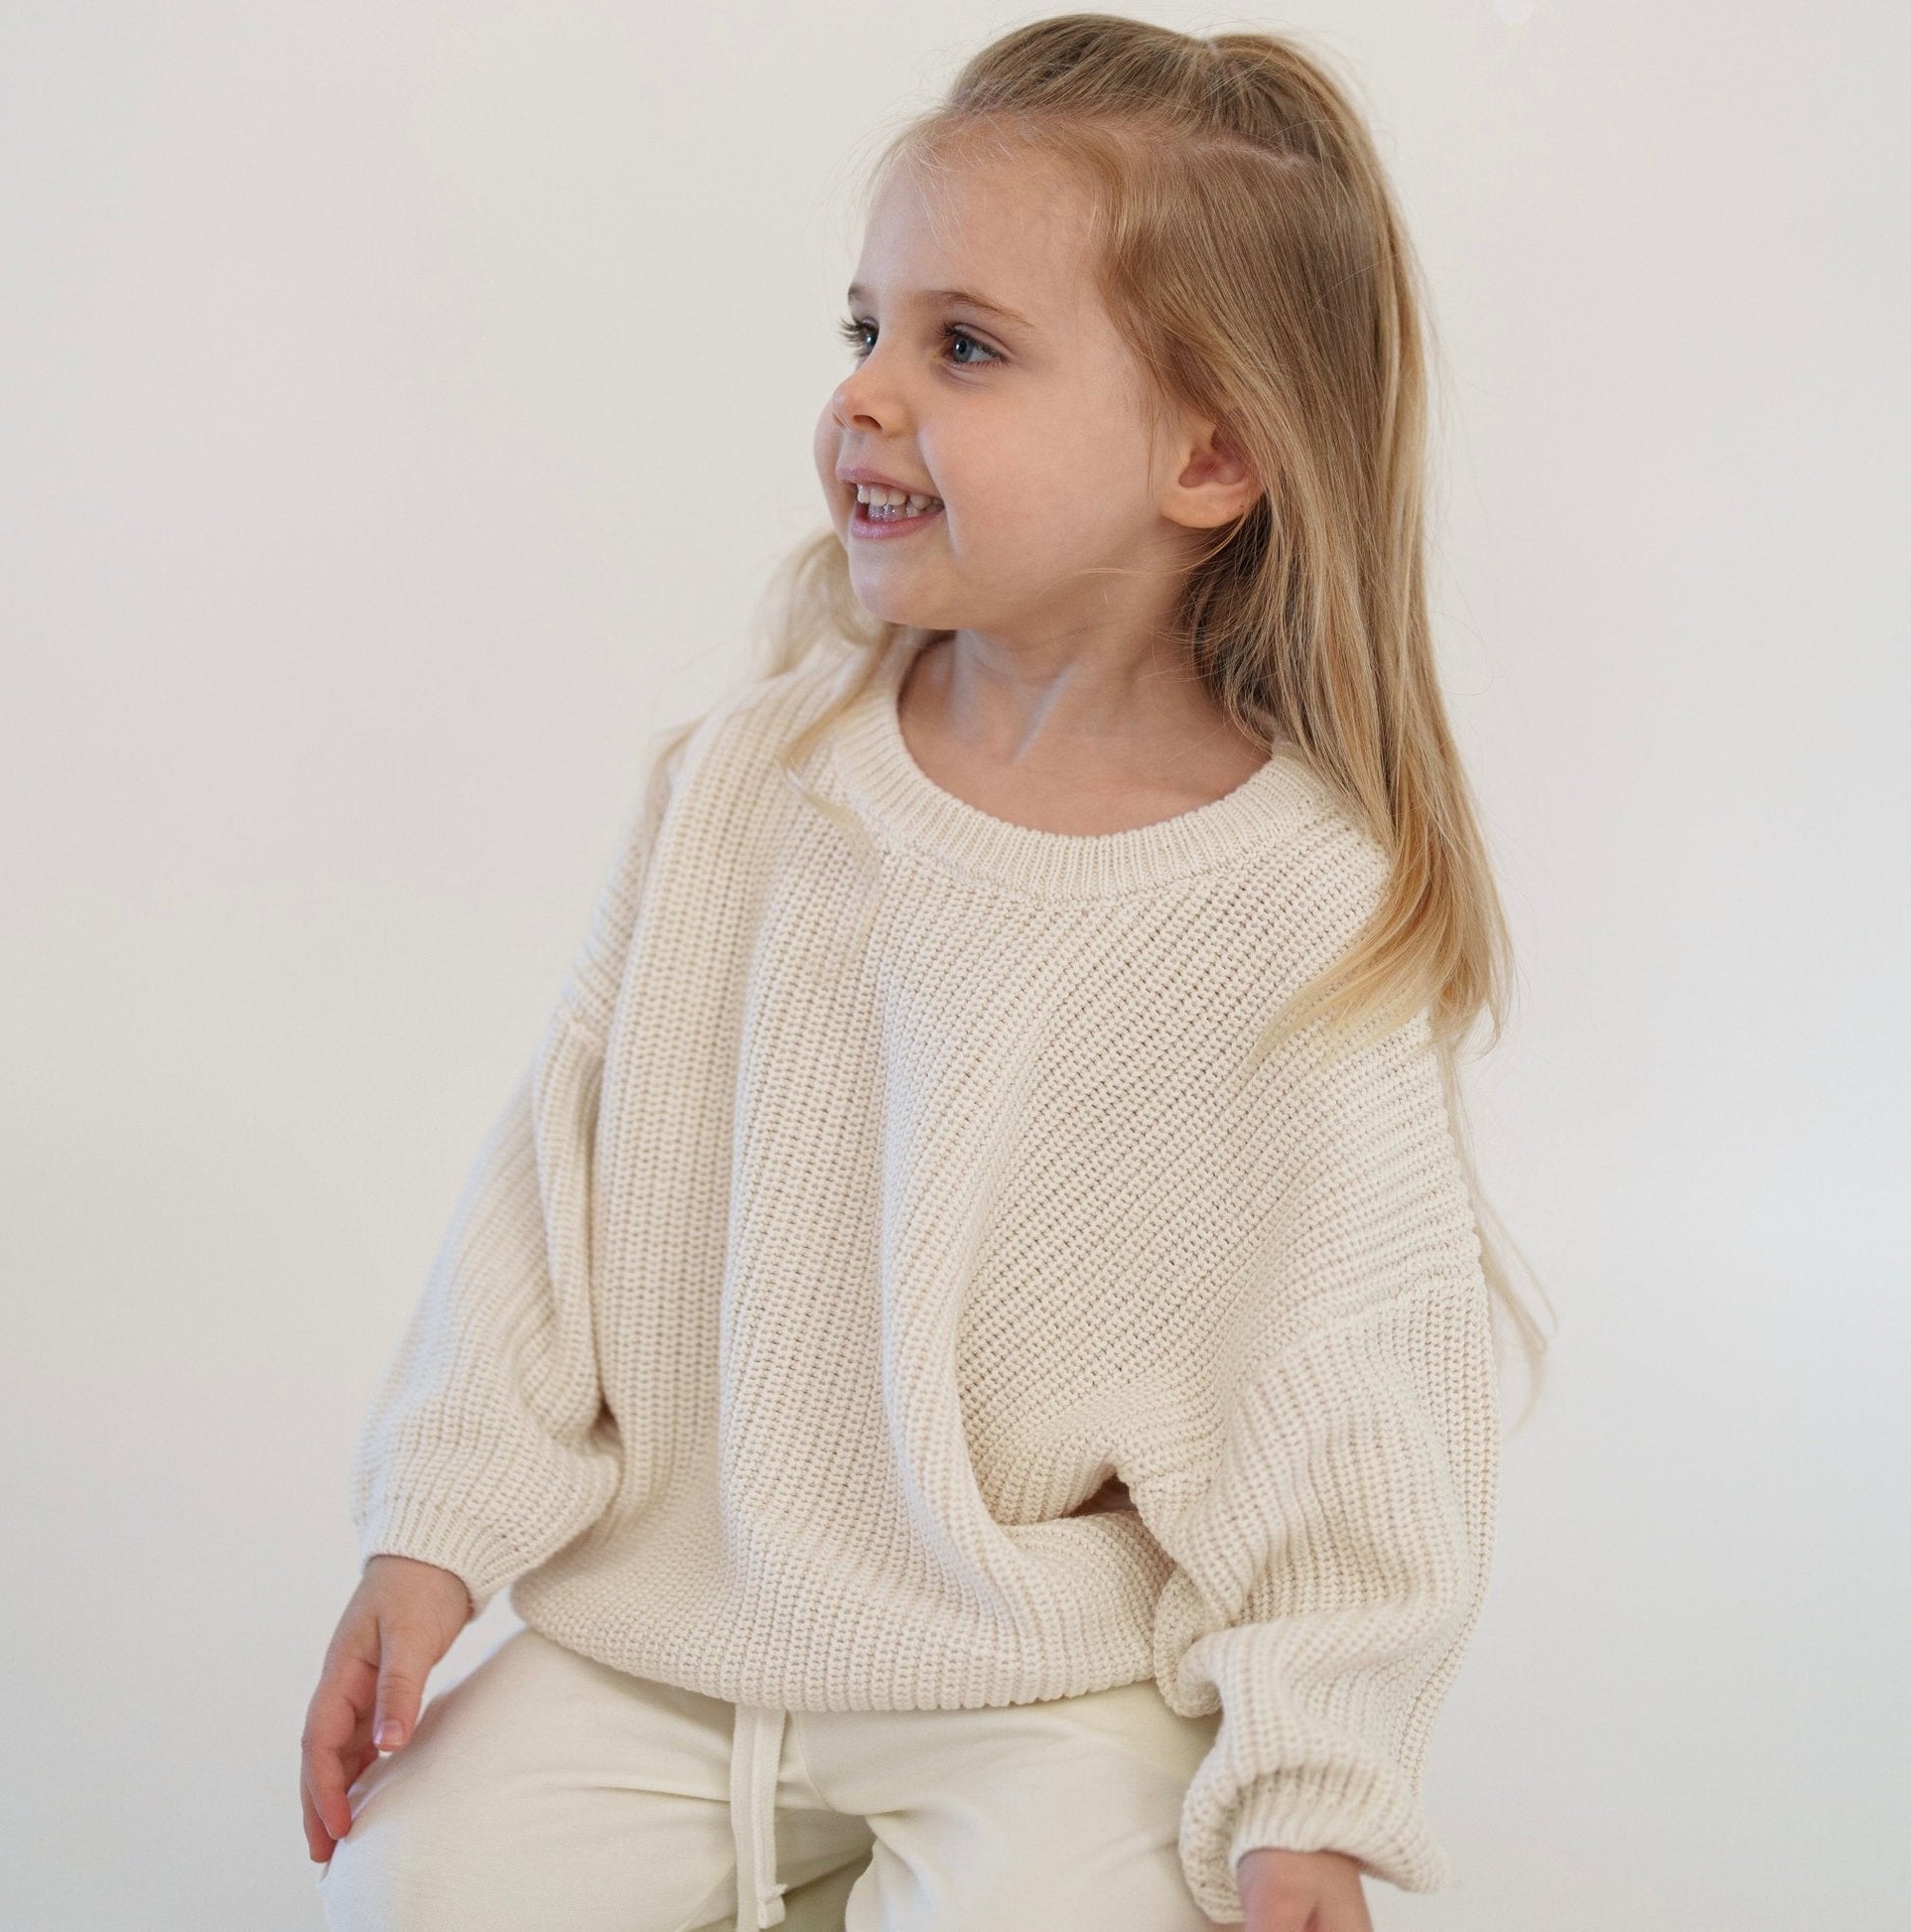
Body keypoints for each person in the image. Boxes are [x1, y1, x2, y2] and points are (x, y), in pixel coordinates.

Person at [301, 16, 1547, 1931]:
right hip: (672, 1631)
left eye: (962, 347)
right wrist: (433, 1534)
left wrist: (1310, 1790)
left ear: (1210, 450)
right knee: (412, 1889)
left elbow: (1346, 1392)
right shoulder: (751, 779)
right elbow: (557, 1197)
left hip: (1041, 1674)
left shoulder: (1292, 901)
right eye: (864, 326)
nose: (866, 394)